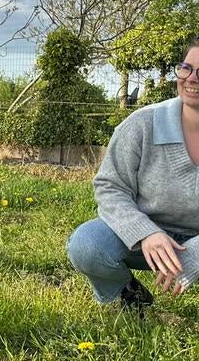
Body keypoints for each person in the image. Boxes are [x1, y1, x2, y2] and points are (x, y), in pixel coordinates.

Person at [67, 39, 199, 315]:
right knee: (87, 244)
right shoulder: (142, 124)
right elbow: (110, 187)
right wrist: (144, 232)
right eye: (186, 68)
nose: (191, 79)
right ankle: (130, 293)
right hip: (146, 238)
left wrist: (196, 254)